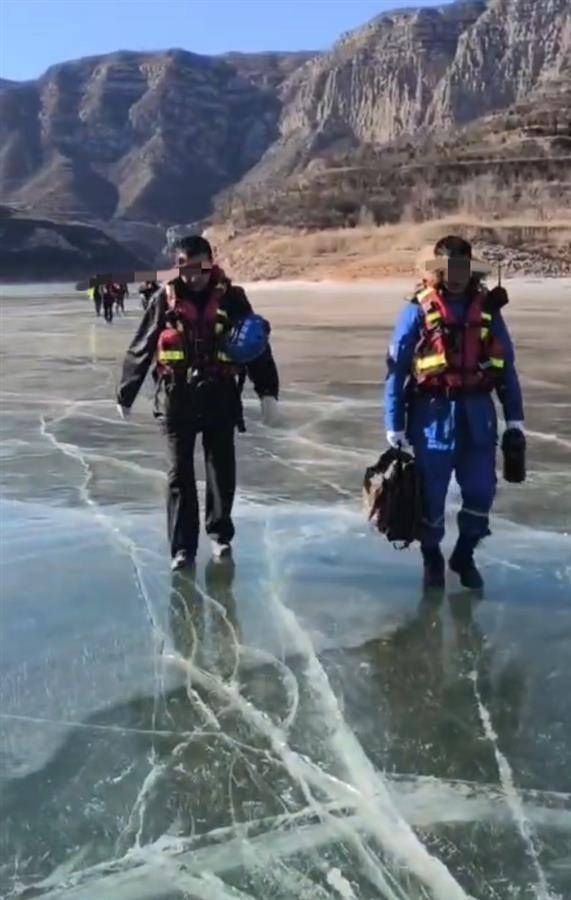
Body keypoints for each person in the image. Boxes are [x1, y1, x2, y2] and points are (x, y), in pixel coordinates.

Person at [116, 234, 280, 570]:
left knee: (221, 471)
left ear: (211, 263)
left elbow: (255, 343)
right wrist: (126, 393)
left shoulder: (232, 298)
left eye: (201, 267)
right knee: (180, 475)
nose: (194, 276)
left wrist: (267, 391)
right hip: (177, 401)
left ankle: (220, 534)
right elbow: (142, 346)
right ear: (178, 267)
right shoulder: (165, 299)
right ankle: (182, 549)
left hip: (220, 396)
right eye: (186, 268)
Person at [384, 235, 524, 590]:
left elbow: (506, 368)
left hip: (478, 417)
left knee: (481, 491)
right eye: (449, 268)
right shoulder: (417, 309)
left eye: (462, 267)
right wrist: (394, 423)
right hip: (432, 418)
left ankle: (464, 554)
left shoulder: (488, 310)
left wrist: (515, 420)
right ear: (439, 271)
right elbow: (396, 369)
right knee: (431, 498)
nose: (457, 275)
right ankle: (432, 556)